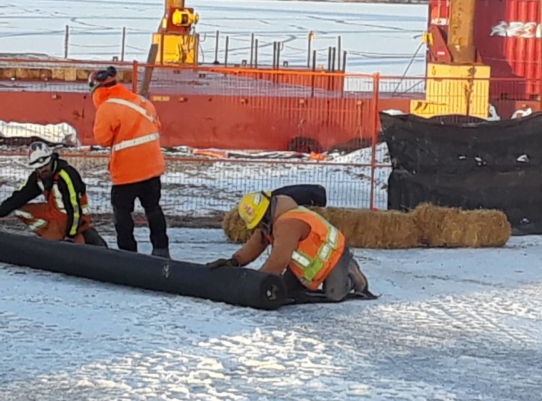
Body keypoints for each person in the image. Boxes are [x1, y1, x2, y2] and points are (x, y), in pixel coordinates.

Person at [206, 191, 373, 302]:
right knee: (288, 293)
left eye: (261, 221)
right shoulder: (269, 222)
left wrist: (257, 282)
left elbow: (279, 261)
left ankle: (351, 274)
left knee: (335, 295)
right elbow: (256, 244)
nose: (260, 226)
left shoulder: (289, 224)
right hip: (310, 265)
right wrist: (235, 262)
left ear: (267, 211)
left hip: (334, 254)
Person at [89, 65, 170, 259]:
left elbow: (102, 139)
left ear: (96, 89)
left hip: (127, 171)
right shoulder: (142, 101)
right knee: (153, 208)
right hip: (153, 167)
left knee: (122, 213)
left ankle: (127, 253)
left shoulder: (107, 108)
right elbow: (157, 125)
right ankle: (161, 249)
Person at [0, 142, 107, 247]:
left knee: (48, 247)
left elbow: (74, 208)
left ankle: (66, 236)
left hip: (75, 217)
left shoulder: (66, 175)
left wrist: (71, 234)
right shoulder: (37, 177)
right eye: (40, 168)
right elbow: (19, 197)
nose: (43, 170)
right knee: (20, 211)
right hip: (54, 213)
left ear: (51, 159)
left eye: (46, 165)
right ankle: (51, 234)